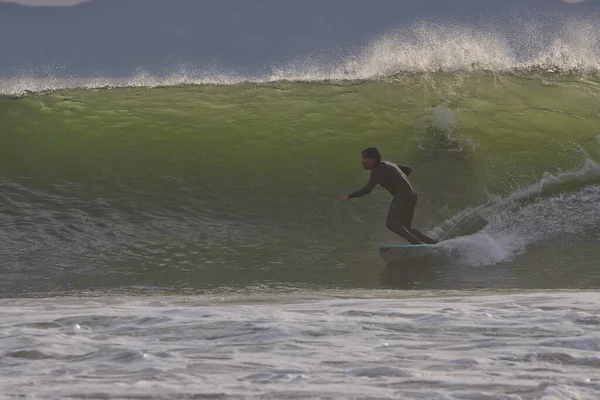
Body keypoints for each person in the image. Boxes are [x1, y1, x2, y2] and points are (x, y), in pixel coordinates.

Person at [338, 147, 437, 245]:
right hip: (412, 194)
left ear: (372, 159)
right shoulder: (388, 164)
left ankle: (417, 244)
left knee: (391, 224)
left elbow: (367, 190)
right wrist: (400, 180)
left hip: (402, 196)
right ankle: (433, 243)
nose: (362, 161)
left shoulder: (377, 170)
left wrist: (349, 196)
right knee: (405, 227)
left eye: (364, 158)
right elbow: (408, 169)